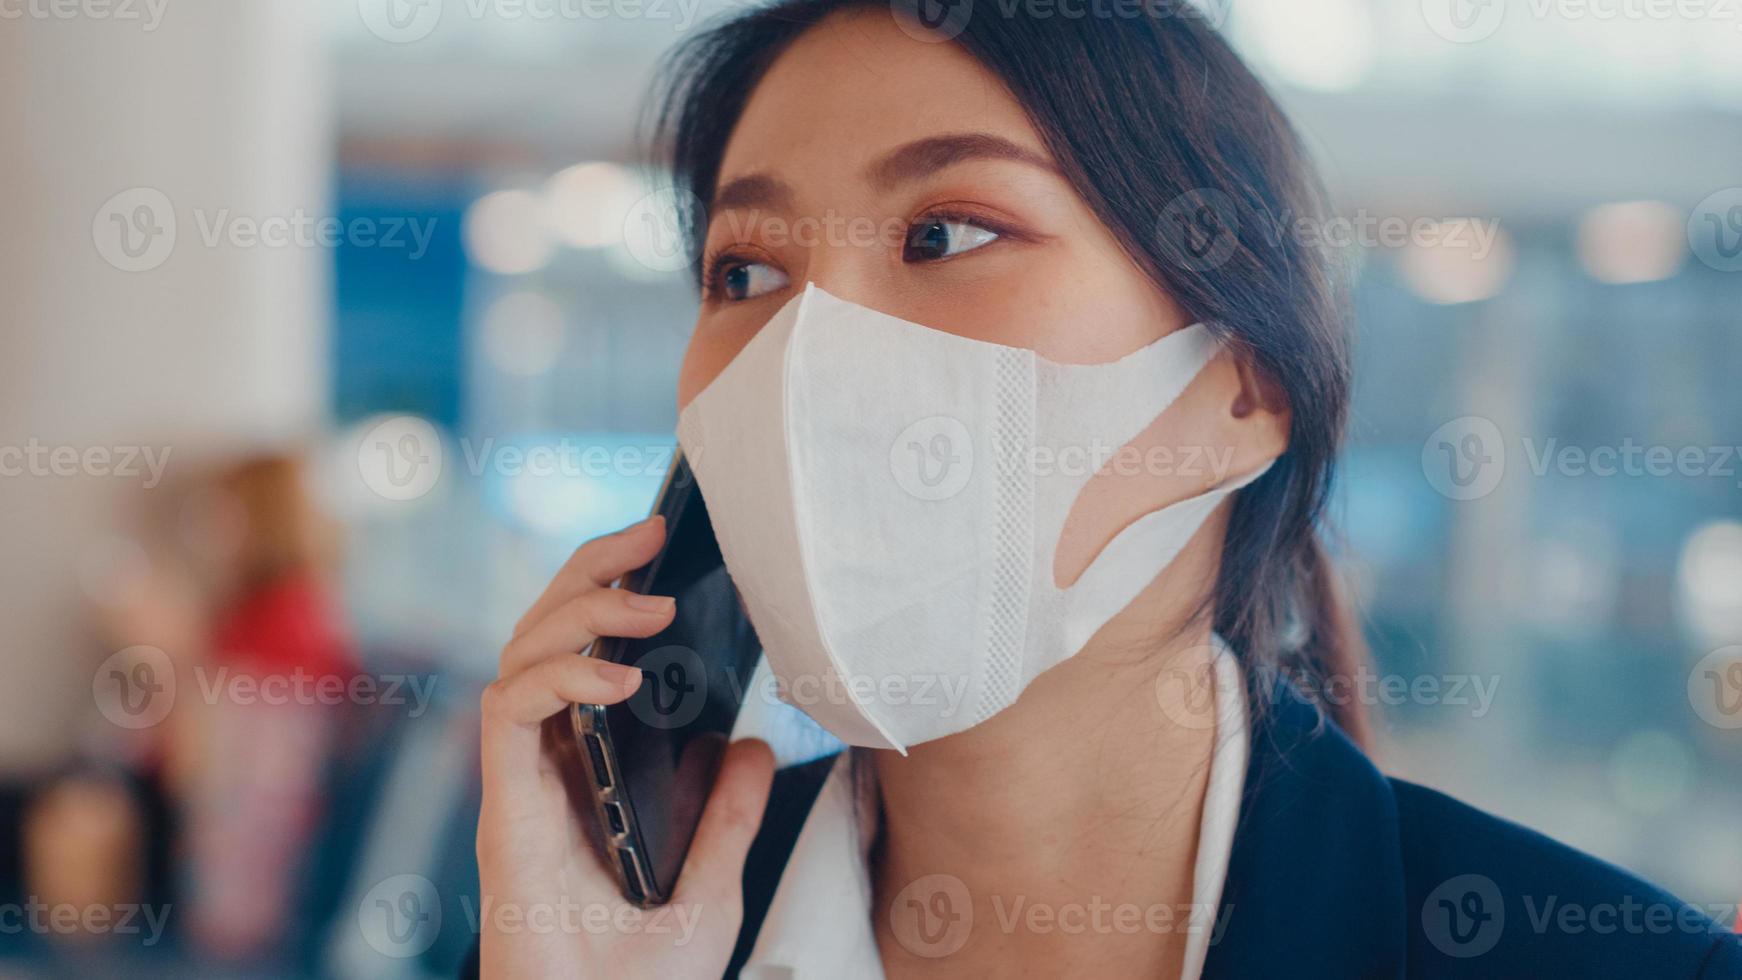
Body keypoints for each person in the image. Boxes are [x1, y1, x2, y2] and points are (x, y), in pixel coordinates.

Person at [470, 3, 1742, 977]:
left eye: (944, 233)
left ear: (1243, 384)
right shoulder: (627, 940)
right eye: (743, 272)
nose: (810, 352)